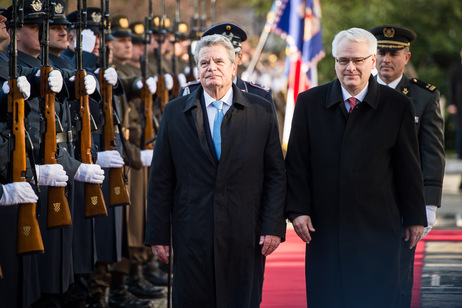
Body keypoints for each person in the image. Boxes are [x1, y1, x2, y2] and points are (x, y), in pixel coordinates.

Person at [285, 27, 427, 308]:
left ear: (372, 61)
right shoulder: (309, 103)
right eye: (342, 60)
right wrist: (297, 210)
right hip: (324, 228)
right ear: (335, 61)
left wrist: (415, 216)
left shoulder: (397, 105)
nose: (350, 67)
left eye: (358, 60)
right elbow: (297, 164)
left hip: (378, 228)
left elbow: (408, 167)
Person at [145, 34, 286, 307]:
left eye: (219, 61)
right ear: (197, 69)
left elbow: (275, 175)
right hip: (192, 232)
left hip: (245, 232)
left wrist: (273, 227)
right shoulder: (176, 112)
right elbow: (162, 177)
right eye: (204, 62)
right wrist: (158, 233)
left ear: (234, 67)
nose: (212, 68)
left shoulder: (261, 110)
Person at [369, 25, 445, 307]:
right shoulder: (358, 89)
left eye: (394, 53)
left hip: (403, 201)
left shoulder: (423, 96)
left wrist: (428, 204)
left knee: (398, 274)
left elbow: (432, 152)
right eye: (381, 52)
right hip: (363, 198)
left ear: (407, 57)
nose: (386, 59)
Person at [180, 22, 273, 104]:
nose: (213, 67)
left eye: (231, 56)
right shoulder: (190, 92)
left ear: (240, 58)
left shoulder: (259, 94)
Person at [449, 48, 462, 190]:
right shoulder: (455, 69)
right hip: (459, 108)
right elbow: (451, 87)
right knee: (460, 136)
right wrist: (452, 103)